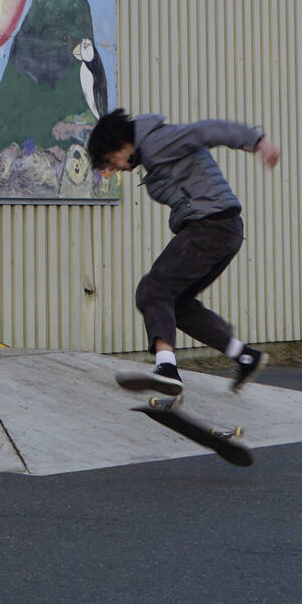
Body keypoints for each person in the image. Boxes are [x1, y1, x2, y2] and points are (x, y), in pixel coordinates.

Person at [86, 107, 280, 396]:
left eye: (112, 161)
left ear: (122, 144)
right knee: (177, 304)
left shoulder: (157, 142)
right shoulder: (151, 151)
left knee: (152, 290)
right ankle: (244, 355)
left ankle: (167, 368)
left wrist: (257, 141)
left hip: (209, 228)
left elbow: (205, 131)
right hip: (222, 230)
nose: (116, 169)